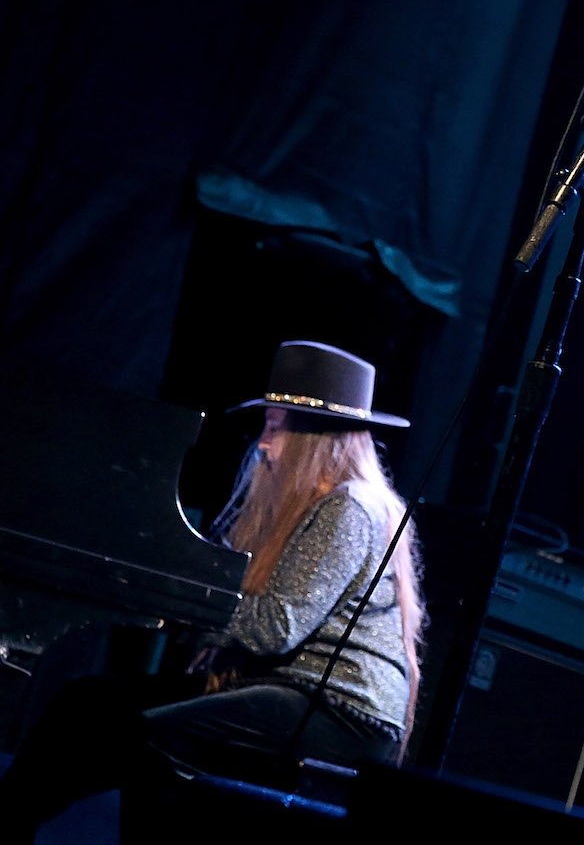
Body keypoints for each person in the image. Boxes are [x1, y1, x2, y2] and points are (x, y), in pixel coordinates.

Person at [0, 339, 427, 842]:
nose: (263, 443)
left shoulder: (351, 507)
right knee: (88, 703)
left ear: (314, 435)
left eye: (275, 425)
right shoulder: (320, 503)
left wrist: (188, 592)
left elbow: (275, 629)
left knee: (147, 734)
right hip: (280, 687)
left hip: (336, 708)